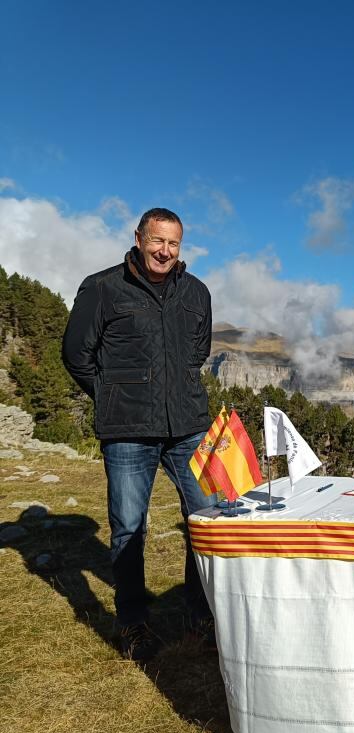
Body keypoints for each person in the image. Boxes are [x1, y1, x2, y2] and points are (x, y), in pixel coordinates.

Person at [62, 207, 214, 661]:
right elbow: (76, 355)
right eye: (157, 241)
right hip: (128, 430)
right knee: (129, 527)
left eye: (173, 244)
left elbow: (197, 352)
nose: (164, 251)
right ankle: (133, 624)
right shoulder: (103, 288)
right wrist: (112, 396)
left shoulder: (197, 292)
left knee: (206, 521)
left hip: (188, 427)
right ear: (139, 238)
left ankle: (201, 612)